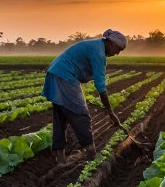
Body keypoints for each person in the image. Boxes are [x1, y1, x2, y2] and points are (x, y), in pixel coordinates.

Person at [42, 29, 127, 166]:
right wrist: (111, 112)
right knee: (81, 115)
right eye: (118, 49)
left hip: (56, 74)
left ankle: (61, 160)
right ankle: (92, 156)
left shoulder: (95, 45)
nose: (117, 53)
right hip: (65, 76)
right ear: (111, 43)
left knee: (60, 118)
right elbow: (100, 86)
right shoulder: (99, 53)